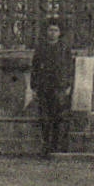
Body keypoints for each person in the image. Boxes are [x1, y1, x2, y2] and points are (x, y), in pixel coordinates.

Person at [30, 22, 74, 156]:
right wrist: (34, 87)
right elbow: (35, 68)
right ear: (46, 32)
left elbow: (69, 68)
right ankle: (45, 144)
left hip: (59, 86)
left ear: (59, 33)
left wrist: (68, 85)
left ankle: (56, 144)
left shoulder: (64, 48)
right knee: (44, 117)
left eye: (56, 30)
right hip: (44, 86)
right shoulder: (41, 48)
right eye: (50, 30)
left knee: (58, 116)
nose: (53, 33)